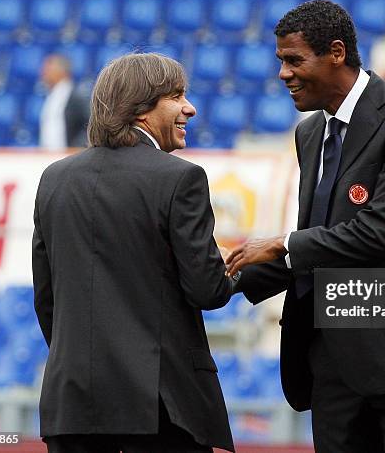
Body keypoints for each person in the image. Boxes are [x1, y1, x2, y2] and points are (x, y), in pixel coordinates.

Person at [225, 0, 385, 453]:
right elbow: (319, 239)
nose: (283, 73)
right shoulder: (309, 134)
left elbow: (378, 233)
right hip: (333, 358)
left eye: (294, 60)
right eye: (281, 60)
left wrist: (280, 244)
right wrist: (224, 276)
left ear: (337, 52)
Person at [33, 53, 235, 453]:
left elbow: (46, 301)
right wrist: (256, 268)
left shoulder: (54, 179)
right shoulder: (181, 178)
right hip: (159, 410)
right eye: (177, 96)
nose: (189, 108)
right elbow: (208, 290)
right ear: (141, 109)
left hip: (70, 408)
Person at [39, 54, 90, 149]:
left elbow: (89, 125)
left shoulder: (76, 96)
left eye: (49, 69)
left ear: (62, 71)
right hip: (48, 155)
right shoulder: (51, 95)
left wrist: (76, 148)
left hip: (68, 156)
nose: (43, 72)